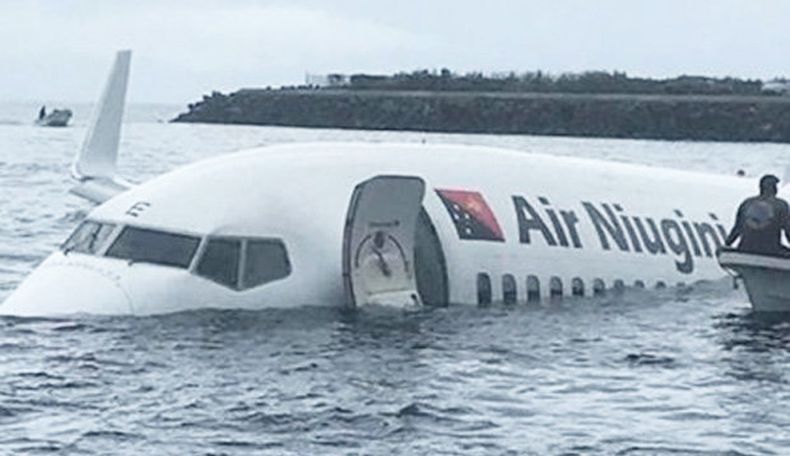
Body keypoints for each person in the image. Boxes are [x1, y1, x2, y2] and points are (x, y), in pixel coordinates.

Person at [725, 174, 790, 256]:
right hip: (771, 250)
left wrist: (727, 244)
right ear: (773, 188)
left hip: (745, 248)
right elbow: (788, 230)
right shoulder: (781, 205)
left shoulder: (746, 203)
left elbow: (737, 229)